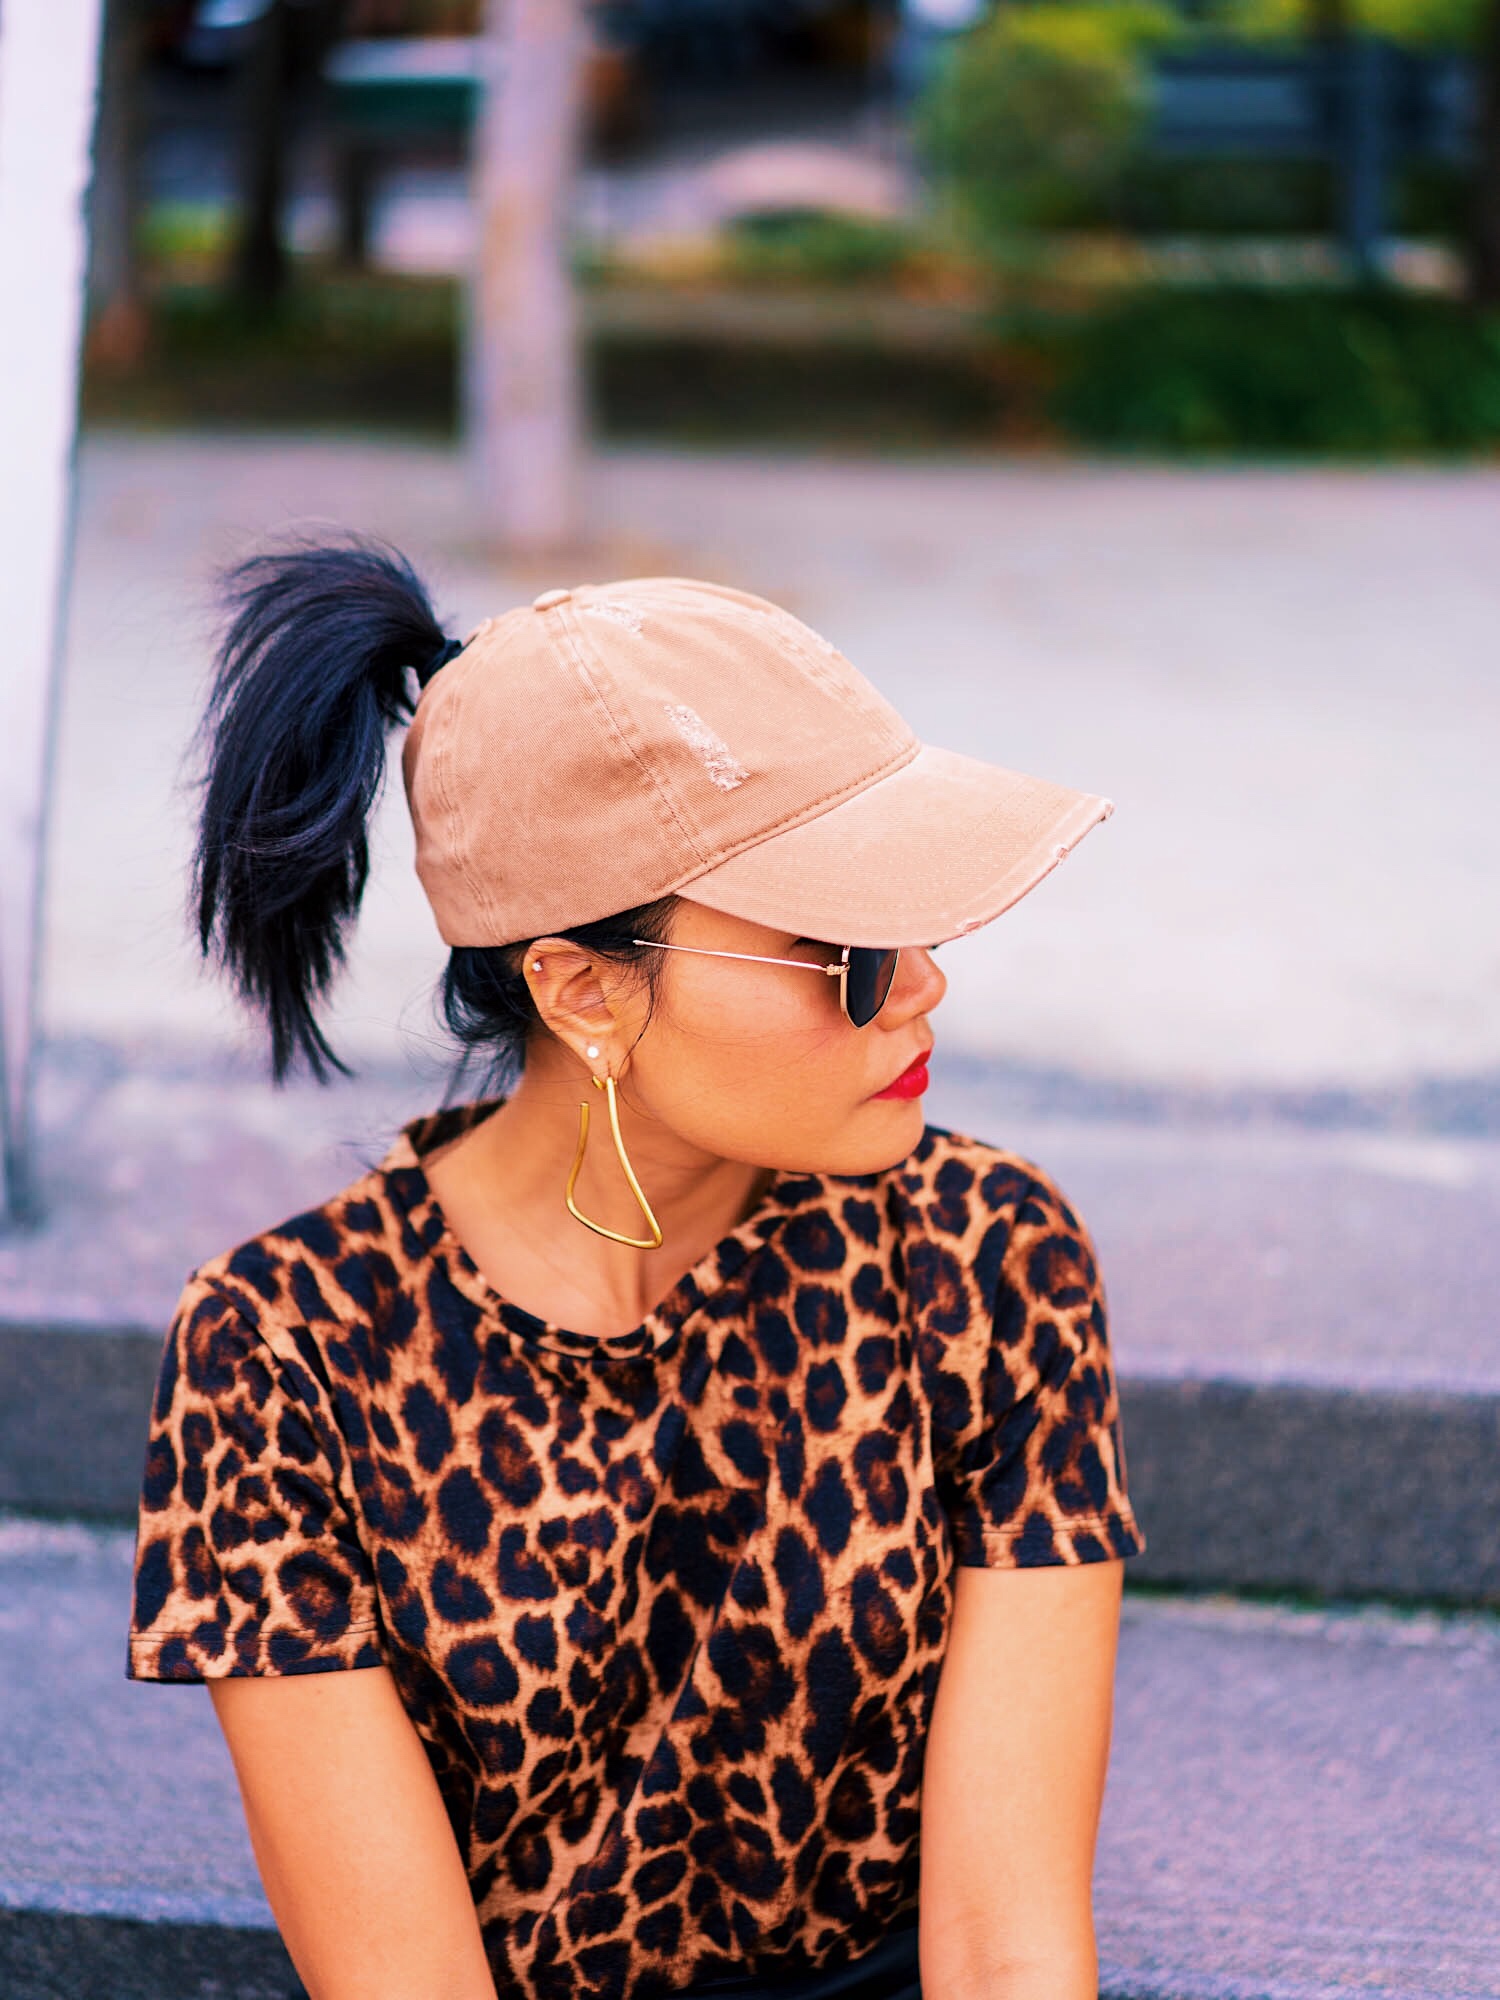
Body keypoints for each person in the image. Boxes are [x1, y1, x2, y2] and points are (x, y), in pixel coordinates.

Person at [124, 542, 1147, 2000]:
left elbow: (1006, 1948)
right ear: (585, 989)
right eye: (845, 951)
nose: (921, 985)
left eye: (918, 918)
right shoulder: (285, 1354)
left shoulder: (984, 1255)